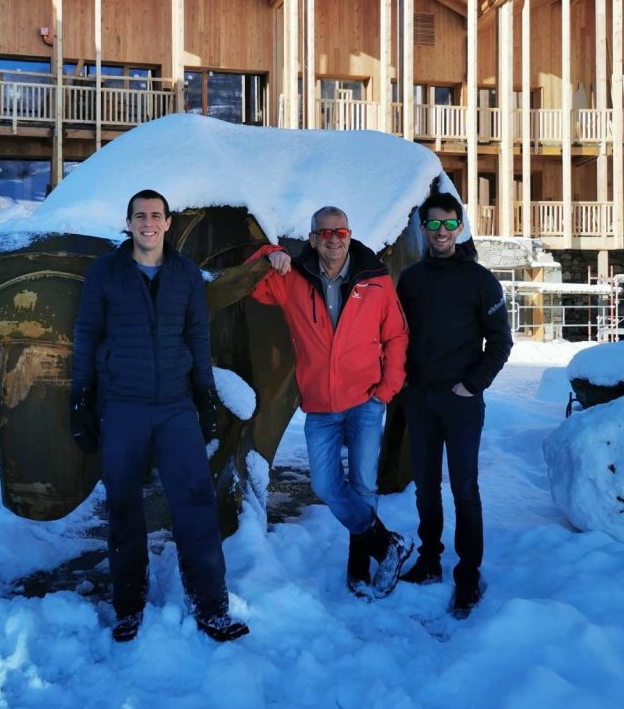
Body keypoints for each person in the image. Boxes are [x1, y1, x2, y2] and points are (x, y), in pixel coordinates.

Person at [69, 189, 249, 643]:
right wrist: (81, 396)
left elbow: (197, 337)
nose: (148, 223)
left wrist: (205, 394)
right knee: (124, 506)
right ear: (127, 223)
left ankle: (211, 604)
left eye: (156, 215)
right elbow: (86, 335)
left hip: (174, 407)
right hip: (123, 405)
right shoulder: (105, 273)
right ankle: (128, 606)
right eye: (139, 216)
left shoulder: (186, 274)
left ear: (168, 223)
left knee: (195, 503)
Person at [250, 206, 412, 599]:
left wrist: (387, 389)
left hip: (366, 401)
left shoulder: (375, 281)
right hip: (321, 406)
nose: (333, 239)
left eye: (339, 231)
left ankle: (358, 569)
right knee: (325, 484)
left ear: (350, 234)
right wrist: (267, 252)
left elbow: (397, 335)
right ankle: (388, 542)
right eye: (324, 233)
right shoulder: (292, 279)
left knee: (363, 485)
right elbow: (252, 281)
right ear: (312, 239)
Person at [396, 191, 512, 619]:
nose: (441, 232)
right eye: (433, 224)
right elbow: (398, 334)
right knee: (426, 486)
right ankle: (429, 560)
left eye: (449, 224)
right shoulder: (410, 279)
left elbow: (501, 341)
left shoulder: (480, 280)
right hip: (420, 400)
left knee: (464, 488)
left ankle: (468, 572)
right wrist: (405, 382)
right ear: (423, 229)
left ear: (459, 227)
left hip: (461, 402)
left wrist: (472, 385)